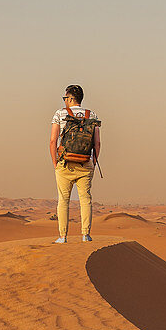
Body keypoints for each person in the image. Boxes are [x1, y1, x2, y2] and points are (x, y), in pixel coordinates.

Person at [49, 84, 101, 243]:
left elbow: (52, 141)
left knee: (63, 200)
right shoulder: (91, 114)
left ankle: (63, 236)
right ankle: (85, 234)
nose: (65, 101)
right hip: (85, 164)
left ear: (71, 98)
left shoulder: (60, 113)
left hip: (65, 163)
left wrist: (55, 163)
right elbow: (97, 143)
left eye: (66, 98)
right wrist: (93, 160)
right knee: (85, 199)